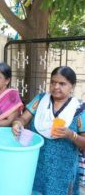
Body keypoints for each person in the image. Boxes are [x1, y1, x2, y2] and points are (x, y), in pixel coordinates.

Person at [12, 66, 85, 195]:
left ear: (72, 86)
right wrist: (17, 124)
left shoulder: (79, 109)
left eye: (62, 83)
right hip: (36, 163)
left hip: (62, 170)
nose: (56, 87)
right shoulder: (40, 100)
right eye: (53, 82)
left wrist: (71, 135)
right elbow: (23, 118)